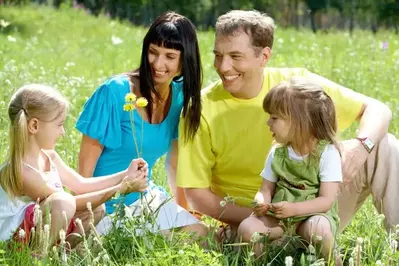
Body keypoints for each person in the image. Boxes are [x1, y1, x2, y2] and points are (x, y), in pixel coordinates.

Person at [176, 9, 398, 241]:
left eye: (235, 56)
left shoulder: (296, 87)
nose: (223, 67)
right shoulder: (199, 109)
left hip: (317, 209)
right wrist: (265, 215)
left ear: (264, 56)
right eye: (218, 55)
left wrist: (361, 147)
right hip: (256, 222)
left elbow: (379, 109)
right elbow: (197, 196)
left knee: (384, 146)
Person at [76, 11, 203, 234]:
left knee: (200, 234)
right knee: (156, 240)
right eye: (153, 52)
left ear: (185, 62)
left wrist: (183, 213)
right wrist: (85, 215)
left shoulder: (180, 97)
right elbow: (85, 169)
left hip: (145, 199)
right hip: (104, 205)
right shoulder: (114, 92)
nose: (158, 63)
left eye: (170, 56)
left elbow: (173, 164)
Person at [0, 84, 148, 248]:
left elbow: (81, 185)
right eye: (59, 124)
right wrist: (121, 188)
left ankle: (63, 253)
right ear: (34, 126)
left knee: (96, 209)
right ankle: (37, 257)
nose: (62, 132)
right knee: (63, 201)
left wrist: (125, 174)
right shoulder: (21, 171)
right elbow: (68, 202)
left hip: (40, 227)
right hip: (15, 241)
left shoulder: (50, 156)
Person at [237, 78, 342, 263]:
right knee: (247, 228)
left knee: (318, 230)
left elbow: (326, 200)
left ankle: (335, 261)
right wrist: (261, 201)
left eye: (274, 118)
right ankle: (262, 261)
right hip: (280, 219)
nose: (268, 123)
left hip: (312, 216)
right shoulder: (277, 152)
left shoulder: (327, 153)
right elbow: (266, 189)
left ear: (300, 121)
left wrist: (294, 209)